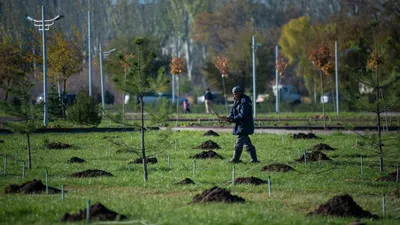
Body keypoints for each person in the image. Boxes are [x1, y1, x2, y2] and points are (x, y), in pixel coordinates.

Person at [226, 86, 259, 163]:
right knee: (247, 144)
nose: (234, 95)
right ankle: (254, 160)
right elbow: (232, 111)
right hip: (240, 125)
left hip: (245, 125)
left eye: (236, 94)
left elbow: (243, 114)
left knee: (239, 142)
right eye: (233, 94)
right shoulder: (236, 100)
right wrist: (229, 118)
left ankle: (235, 160)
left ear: (240, 92)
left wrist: (234, 119)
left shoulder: (245, 101)